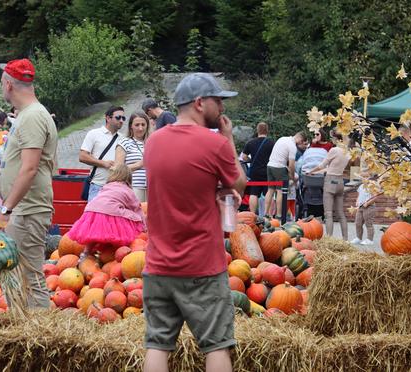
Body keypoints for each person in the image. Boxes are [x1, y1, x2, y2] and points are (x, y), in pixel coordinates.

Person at [142, 73, 246, 372]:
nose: (222, 109)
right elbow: (238, 184)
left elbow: (181, 185)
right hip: (202, 265)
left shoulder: (154, 142)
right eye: (218, 101)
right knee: (216, 345)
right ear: (200, 103)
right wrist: (227, 139)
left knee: (157, 345)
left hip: (158, 265)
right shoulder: (214, 144)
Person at [0, 58, 58, 308]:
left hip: (27, 209)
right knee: (19, 277)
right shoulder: (28, 114)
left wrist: (6, 209)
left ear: (9, 84)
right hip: (24, 208)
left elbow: (30, 168)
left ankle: (38, 338)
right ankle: (24, 335)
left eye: (2, 80)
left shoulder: (33, 116)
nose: (1, 85)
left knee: (30, 279)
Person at [67, 165, 145, 262]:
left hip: (92, 211)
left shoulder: (106, 186)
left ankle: (85, 253)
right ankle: (120, 252)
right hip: (111, 211)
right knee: (132, 216)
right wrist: (144, 225)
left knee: (92, 234)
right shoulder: (128, 190)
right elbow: (137, 207)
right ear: (129, 178)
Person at [307, 130, 351, 240]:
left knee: (328, 213)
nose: (331, 140)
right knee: (341, 213)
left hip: (330, 181)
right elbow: (331, 168)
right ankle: (345, 239)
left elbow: (322, 165)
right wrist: (315, 172)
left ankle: (329, 240)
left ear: (336, 139)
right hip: (340, 181)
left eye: (332, 138)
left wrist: (311, 171)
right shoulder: (347, 152)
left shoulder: (334, 150)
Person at [79, 106, 125, 201]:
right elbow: (82, 156)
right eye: (118, 117)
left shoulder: (123, 138)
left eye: (123, 118)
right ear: (108, 118)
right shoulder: (94, 133)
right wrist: (104, 163)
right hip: (98, 185)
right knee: (95, 215)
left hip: (117, 187)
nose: (121, 120)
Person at [264, 132, 308, 219]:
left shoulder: (282, 138)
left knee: (270, 190)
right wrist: (292, 177)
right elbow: (291, 165)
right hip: (280, 167)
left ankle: (266, 214)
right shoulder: (292, 146)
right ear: (300, 139)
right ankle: (279, 215)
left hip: (270, 165)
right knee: (280, 191)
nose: (300, 144)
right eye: (302, 142)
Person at [115, 111, 150, 202]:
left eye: (143, 124)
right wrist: (139, 164)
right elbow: (117, 170)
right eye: (137, 125)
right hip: (133, 187)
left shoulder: (152, 142)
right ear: (131, 126)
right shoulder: (124, 143)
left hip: (152, 187)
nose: (140, 128)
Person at [241, 122, 275, 213]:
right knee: (269, 193)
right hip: (267, 172)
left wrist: (250, 160)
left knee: (254, 193)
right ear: (267, 131)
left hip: (255, 172)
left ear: (257, 130)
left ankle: (252, 214)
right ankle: (268, 215)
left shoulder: (251, 142)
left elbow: (244, 156)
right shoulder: (271, 143)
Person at [351, 174, 378, 245]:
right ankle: (358, 238)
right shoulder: (361, 186)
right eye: (363, 177)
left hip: (369, 207)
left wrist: (368, 203)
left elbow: (375, 197)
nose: (364, 178)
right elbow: (359, 196)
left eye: (366, 177)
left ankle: (370, 240)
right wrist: (357, 201)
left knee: (368, 224)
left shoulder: (372, 186)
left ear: (370, 177)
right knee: (358, 223)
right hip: (360, 207)